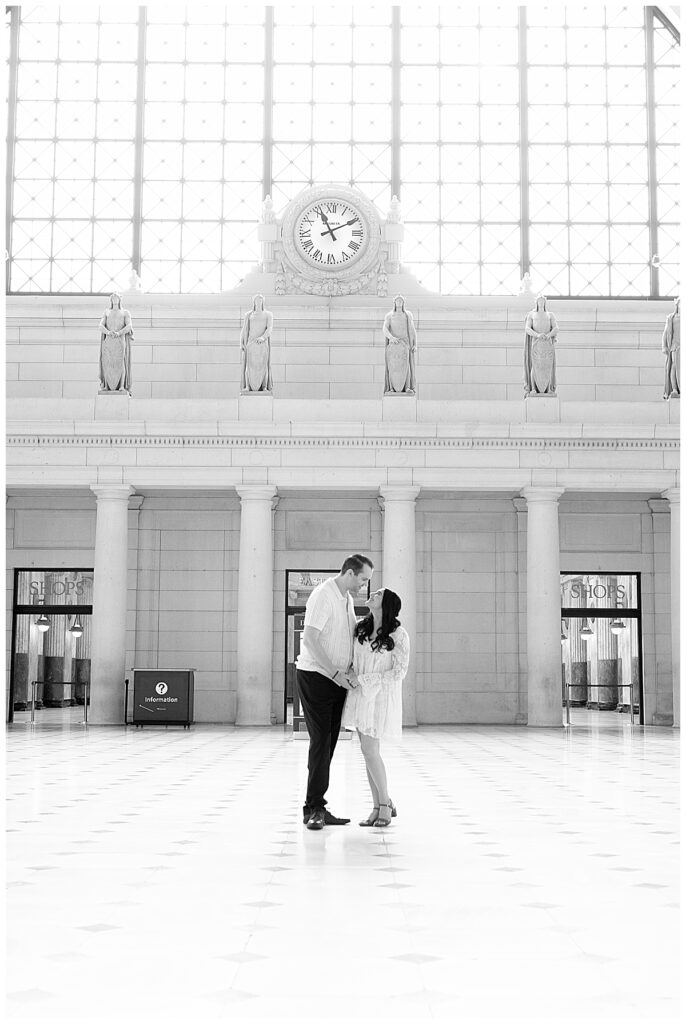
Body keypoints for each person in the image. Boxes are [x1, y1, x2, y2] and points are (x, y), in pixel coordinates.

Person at [295, 554, 374, 831]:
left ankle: (317, 804)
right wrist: (336, 673)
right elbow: (310, 639)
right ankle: (314, 808)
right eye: (363, 579)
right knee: (321, 741)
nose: (364, 585)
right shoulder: (323, 595)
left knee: (328, 744)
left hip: (336, 680)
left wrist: (350, 670)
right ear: (350, 573)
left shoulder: (347, 599)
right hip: (317, 676)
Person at [342, 588, 409, 828]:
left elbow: (399, 671)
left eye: (379, 594)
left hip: (379, 697)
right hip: (360, 696)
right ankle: (379, 804)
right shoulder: (360, 627)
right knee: (367, 751)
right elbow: (352, 660)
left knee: (370, 750)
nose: (373, 594)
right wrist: (352, 675)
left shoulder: (399, 635)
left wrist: (367, 679)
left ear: (387, 604)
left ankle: (383, 805)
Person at [98, 292, 133, 394]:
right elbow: (100, 325)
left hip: (119, 340)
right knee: (107, 362)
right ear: (111, 300)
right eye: (113, 298)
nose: (115, 300)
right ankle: (107, 385)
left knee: (120, 362)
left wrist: (119, 333)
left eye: (116, 298)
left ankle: (121, 385)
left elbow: (129, 326)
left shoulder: (125, 312)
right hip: (109, 340)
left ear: (119, 299)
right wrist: (108, 332)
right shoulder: (107, 312)